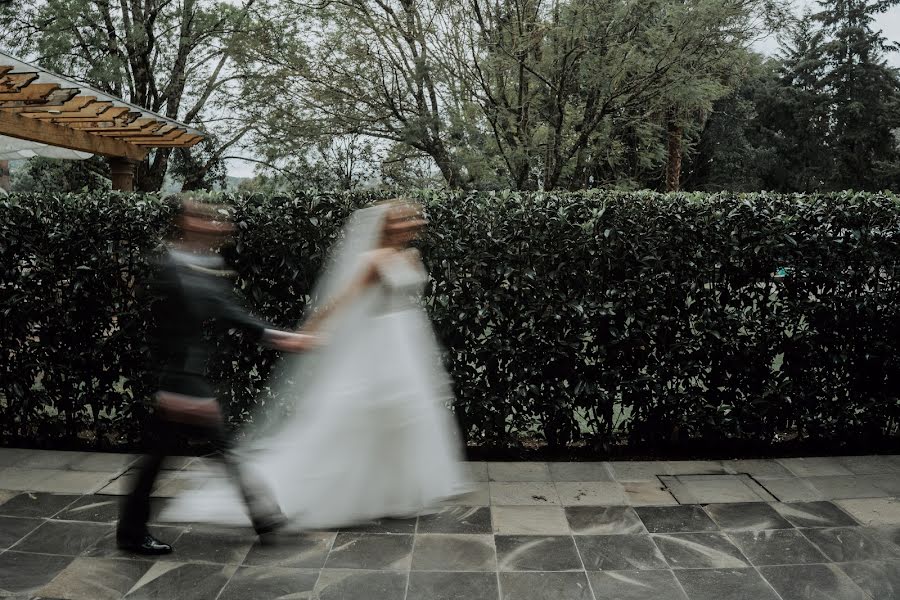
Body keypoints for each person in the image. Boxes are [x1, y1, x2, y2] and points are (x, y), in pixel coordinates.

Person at [160, 199, 467, 529]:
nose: (408, 226)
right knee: (367, 415)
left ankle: (396, 492)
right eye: (400, 221)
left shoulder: (410, 257)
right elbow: (343, 299)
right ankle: (329, 496)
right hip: (379, 346)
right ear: (386, 226)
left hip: (406, 344)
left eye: (410, 220)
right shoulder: (373, 260)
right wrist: (308, 332)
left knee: (407, 417)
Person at [117, 199, 318, 555]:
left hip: (186, 382)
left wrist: (283, 338)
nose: (215, 226)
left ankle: (265, 520)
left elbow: (230, 313)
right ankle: (265, 520)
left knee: (183, 455)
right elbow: (164, 335)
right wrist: (174, 388)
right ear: (184, 223)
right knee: (184, 456)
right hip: (179, 383)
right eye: (203, 219)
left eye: (214, 221)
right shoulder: (169, 268)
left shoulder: (202, 266)